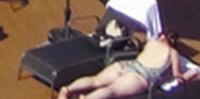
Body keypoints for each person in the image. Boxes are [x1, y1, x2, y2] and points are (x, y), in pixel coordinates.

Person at [56, 32, 184, 99]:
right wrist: (191, 74)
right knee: (111, 91)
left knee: (95, 80)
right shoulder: (173, 53)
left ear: (163, 37)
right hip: (139, 76)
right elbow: (177, 76)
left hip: (127, 65)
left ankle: (67, 89)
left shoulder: (152, 42)